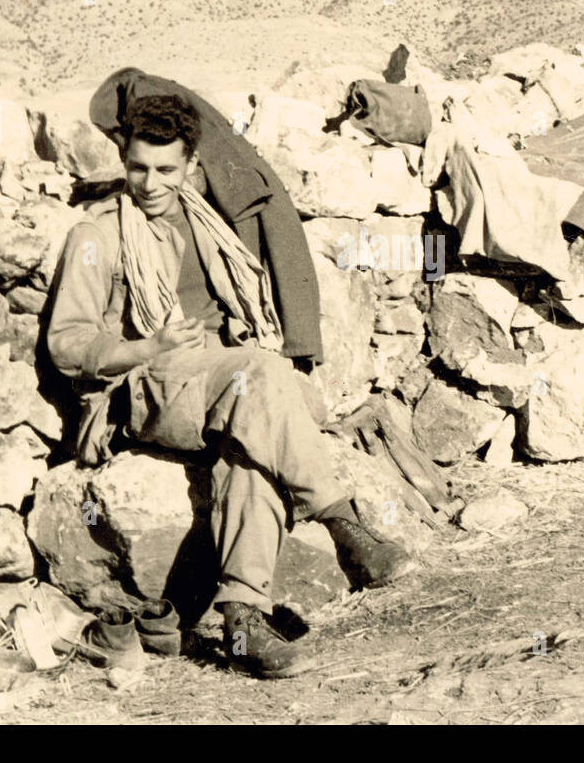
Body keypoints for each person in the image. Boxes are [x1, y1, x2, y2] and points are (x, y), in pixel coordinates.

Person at [45, 93, 417, 678]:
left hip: (220, 383)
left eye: (166, 169)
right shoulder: (99, 235)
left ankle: (242, 614)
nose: (150, 183)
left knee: (250, 451)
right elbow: (66, 343)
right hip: (145, 388)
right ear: (124, 161)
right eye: (138, 167)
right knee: (264, 376)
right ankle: (340, 520)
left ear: (192, 166)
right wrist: (147, 347)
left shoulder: (207, 219)